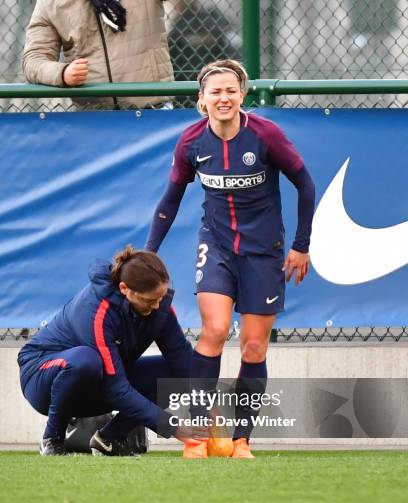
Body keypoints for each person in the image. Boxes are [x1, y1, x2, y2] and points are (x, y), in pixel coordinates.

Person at [145, 59, 315, 459]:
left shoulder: (266, 135)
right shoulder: (190, 142)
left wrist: (301, 245)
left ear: (243, 94)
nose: (223, 98)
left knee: (254, 346)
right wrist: (148, 254)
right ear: (202, 99)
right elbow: (170, 201)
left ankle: (241, 440)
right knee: (215, 330)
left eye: (230, 90)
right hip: (217, 246)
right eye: (215, 92)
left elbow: (305, 184)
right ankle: (200, 438)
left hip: (264, 251)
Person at [17, 246, 206, 455]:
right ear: (125, 289)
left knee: (172, 374)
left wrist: (209, 410)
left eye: (160, 298)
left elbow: (184, 362)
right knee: (86, 361)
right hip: (42, 379)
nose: (156, 306)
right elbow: (117, 389)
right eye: (149, 300)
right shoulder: (97, 311)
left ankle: (108, 439)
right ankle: (52, 439)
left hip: (97, 383)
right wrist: (174, 427)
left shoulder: (159, 309)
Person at [22, 0, 174, 109]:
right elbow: (33, 60)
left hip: (152, 109)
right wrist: (62, 73)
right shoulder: (50, 4)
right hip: (93, 118)